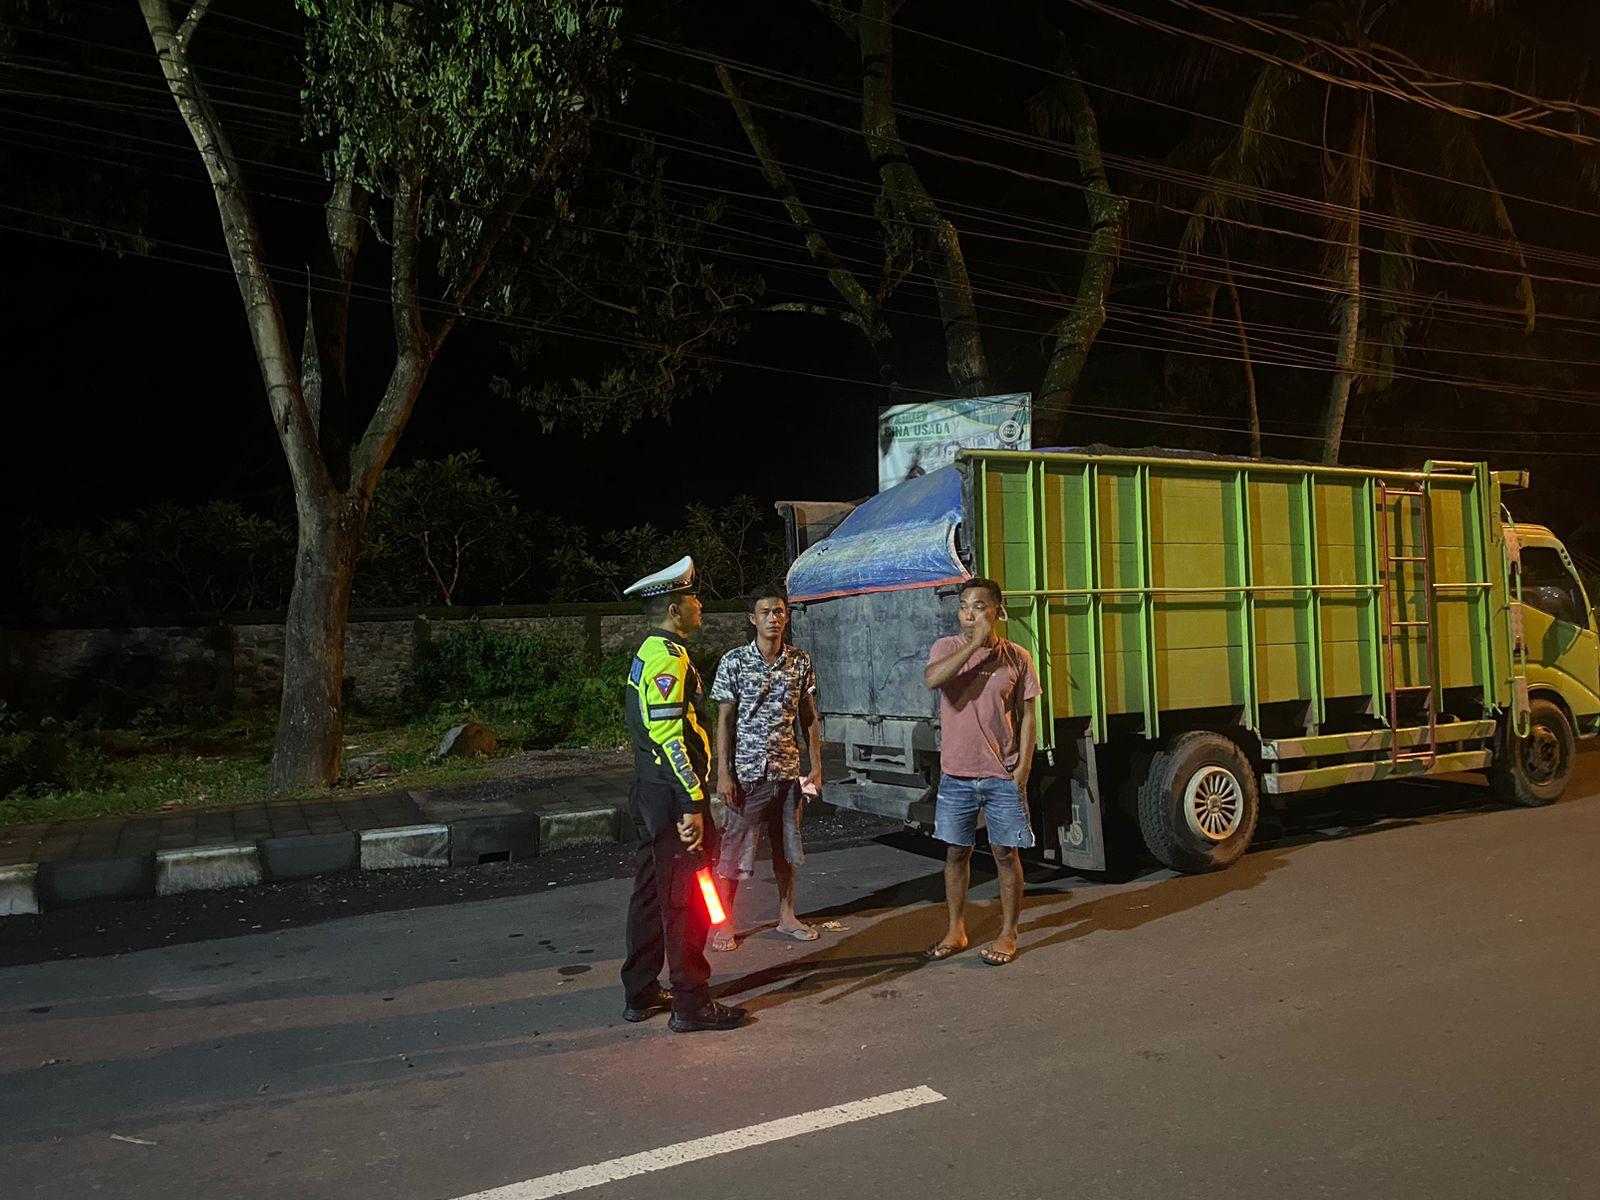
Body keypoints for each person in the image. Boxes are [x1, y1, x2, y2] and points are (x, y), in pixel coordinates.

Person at [618, 555, 748, 1033]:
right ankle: (691, 1003)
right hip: (672, 798)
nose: (699, 606)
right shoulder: (666, 658)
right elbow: (669, 735)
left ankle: (642, 991)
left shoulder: (652, 653)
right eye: (693, 598)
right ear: (675, 608)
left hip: (651, 792)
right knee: (686, 898)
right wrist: (692, 803)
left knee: (652, 893)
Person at [921, 577, 1041, 967]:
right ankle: (956, 928)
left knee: (1005, 854)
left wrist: (1023, 766)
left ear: (997, 610)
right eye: (964, 607)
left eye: (978, 606)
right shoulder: (948, 647)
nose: (969, 614)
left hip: (1001, 774)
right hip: (956, 775)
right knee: (956, 852)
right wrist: (974, 643)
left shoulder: (1018, 657)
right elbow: (933, 680)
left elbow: (1028, 717)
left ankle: (1008, 933)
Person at [709, 583, 823, 951]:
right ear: (752, 619)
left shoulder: (800, 662)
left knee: (786, 849)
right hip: (747, 775)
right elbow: (724, 721)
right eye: (765, 612)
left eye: (778, 611)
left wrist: (816, 765)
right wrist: (723, 774)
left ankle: (787, 915)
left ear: (786, 616)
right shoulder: (734, 662)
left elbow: (808, 718)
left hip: (788, 773)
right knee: (733, 851)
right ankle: (724, 922)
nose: (773, 618)